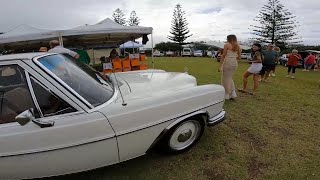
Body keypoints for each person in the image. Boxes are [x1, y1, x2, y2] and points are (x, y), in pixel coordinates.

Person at [218, 35, 241, 100]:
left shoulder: (226, 45)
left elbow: (223, 56)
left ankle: (227, 94)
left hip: (228, 62)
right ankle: (233, 93)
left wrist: (220, 65)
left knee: (226, 78)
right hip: (234, 62)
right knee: (229, 77)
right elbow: (239, 57)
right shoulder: (238, 46)